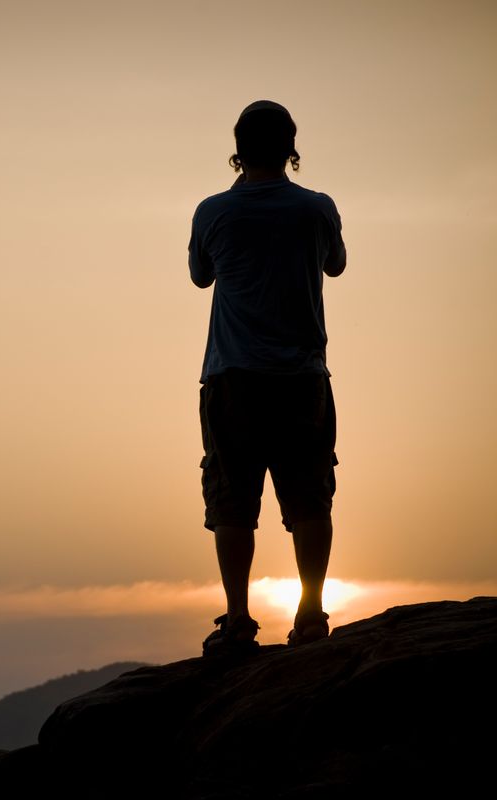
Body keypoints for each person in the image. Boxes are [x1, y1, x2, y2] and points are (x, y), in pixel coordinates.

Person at [188, 100, 347, 656]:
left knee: (231, 500)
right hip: (302, 376)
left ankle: (236, 620)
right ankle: (309, 613)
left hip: (232, 377)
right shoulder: (317, 209)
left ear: (237, 150)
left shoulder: (212, 213)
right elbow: (336, 264)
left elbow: (199, 276)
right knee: (310, 497)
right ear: (291, 148)